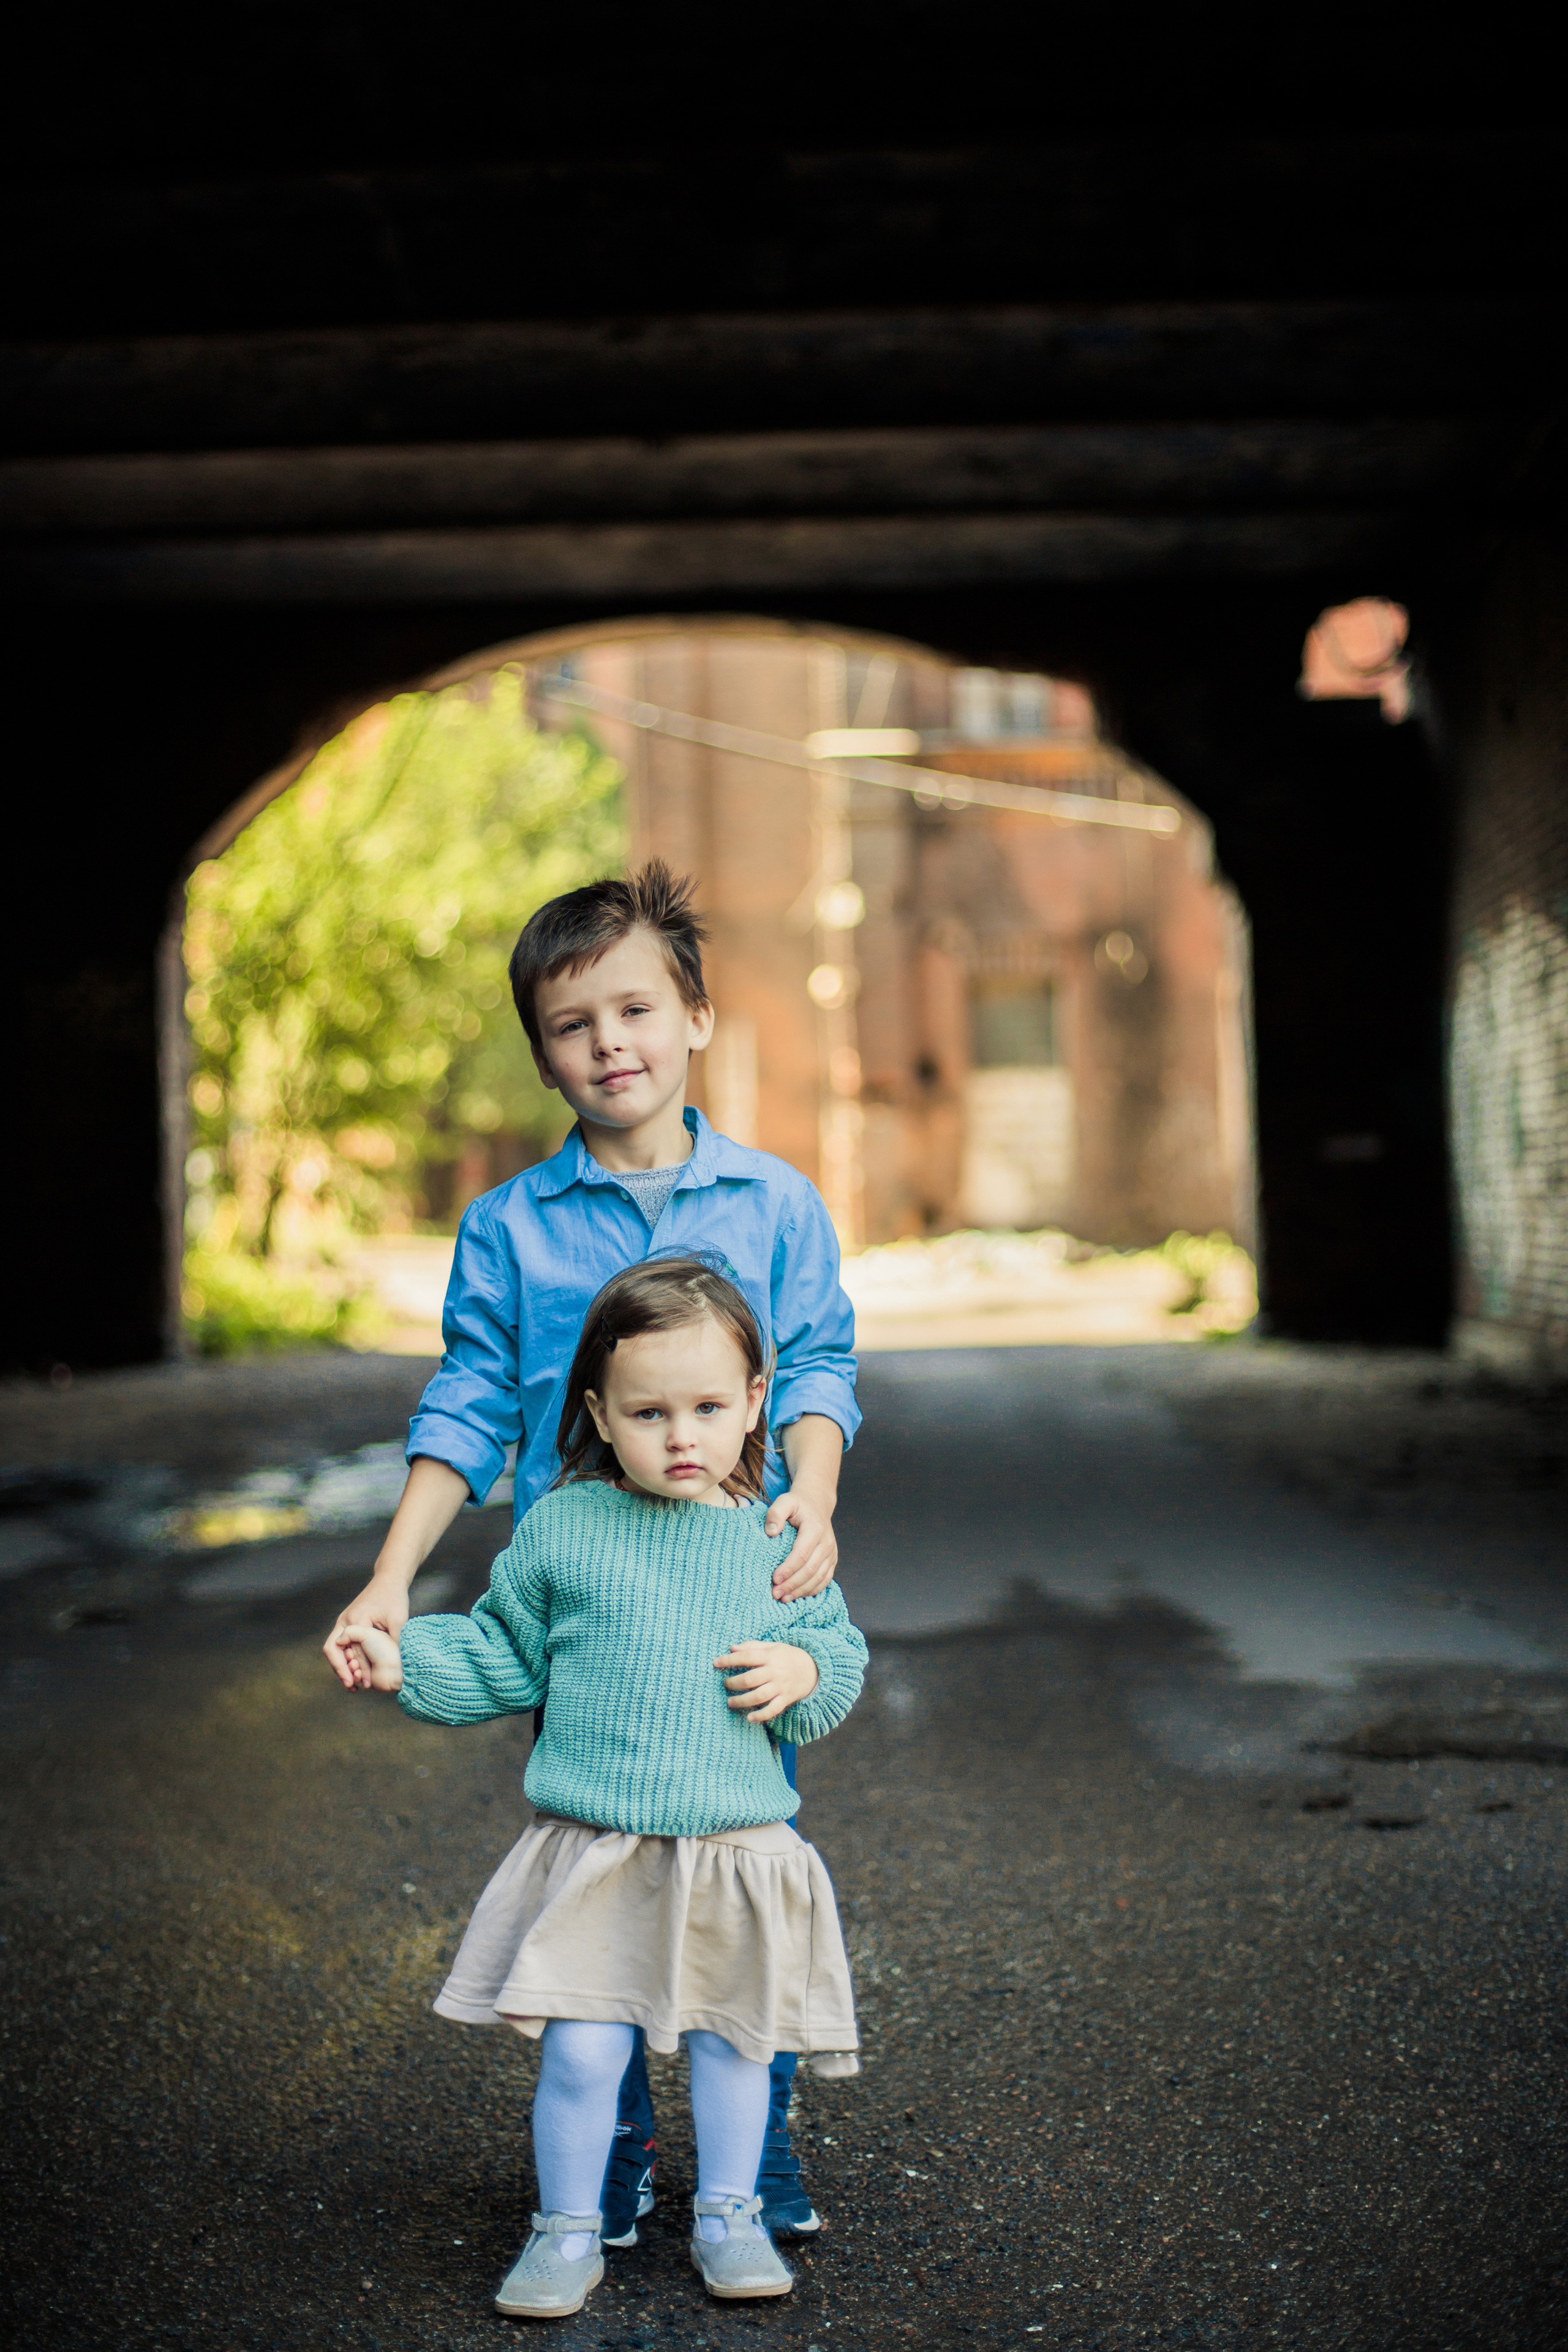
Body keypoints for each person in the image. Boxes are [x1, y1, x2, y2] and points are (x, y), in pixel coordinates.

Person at [323, 861, 859, 2244]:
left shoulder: (774, 1202)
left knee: (747, 1861)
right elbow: (467, 1401)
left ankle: (760, 2148)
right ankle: (612, 2149)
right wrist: (392, 1578)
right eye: (572, 1024)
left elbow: (815, 1364)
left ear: (694, 1017)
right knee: (599, 1866)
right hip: (592, 1595)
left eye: (634, 1008)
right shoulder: (509, 1227)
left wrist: (810, 1493)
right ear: (542, 1051)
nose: (607, 1042)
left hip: (741, 1579)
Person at [337, 1259, 867, 2319]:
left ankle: (730, 2213)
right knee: (581, 2055)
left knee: (733, 2049)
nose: (683, 1436)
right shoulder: (566, 1529)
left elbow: (840, 1656)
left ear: (756, 1401)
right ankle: (567, 2228)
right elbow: (502, 1653)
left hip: (733, 1848)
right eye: (649, 1411)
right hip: (599, 1845)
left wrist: (805, 1673)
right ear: (597, 1413)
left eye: (711, 1407)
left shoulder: (778, 1538)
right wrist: (409, 1662)